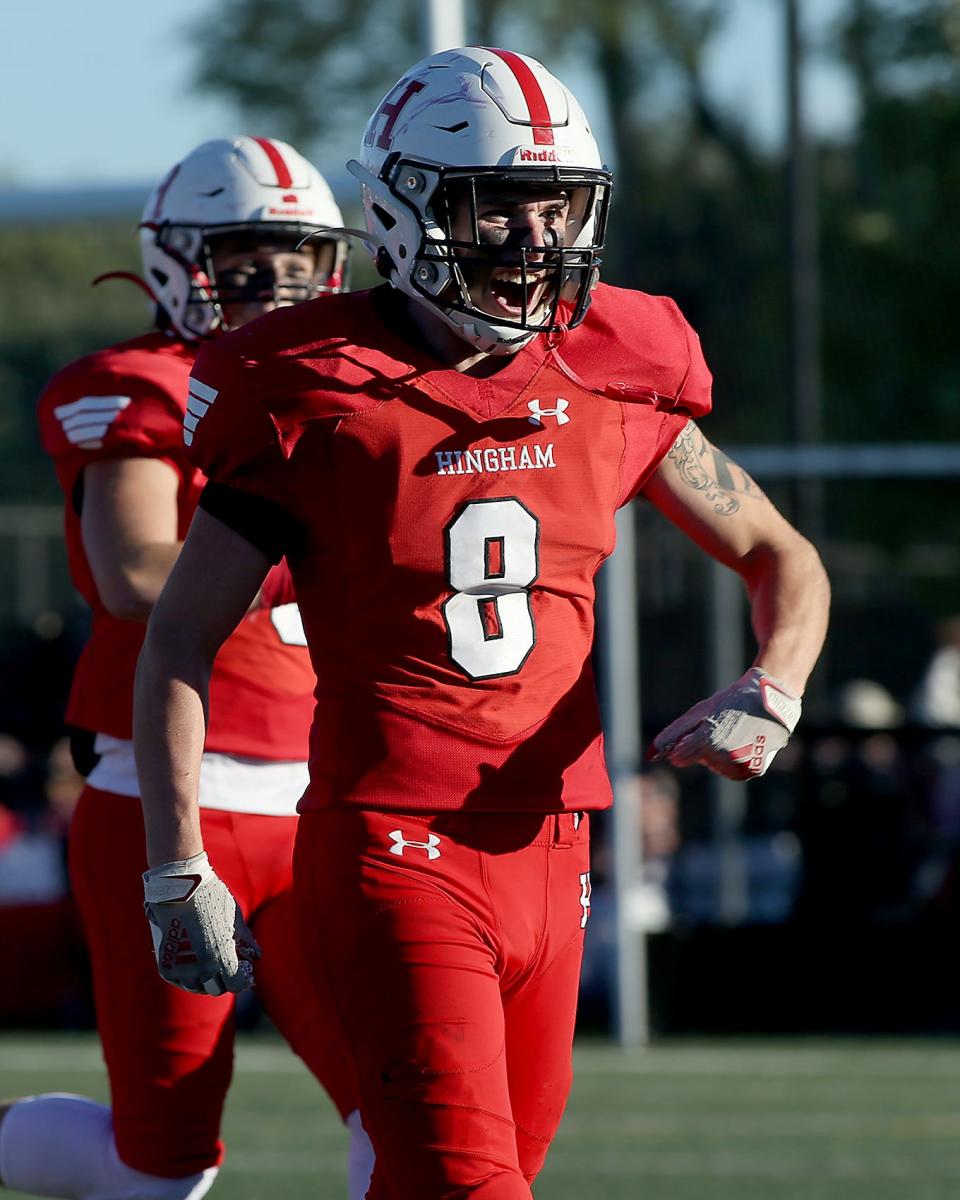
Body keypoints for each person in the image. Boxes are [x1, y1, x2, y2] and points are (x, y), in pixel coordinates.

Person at [133, 49, 830, 1200]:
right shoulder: (311, 383)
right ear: (404, 205)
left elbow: (781, 558)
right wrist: (174, 864)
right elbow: (178, 638)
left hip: (558, 853)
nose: (533, 235)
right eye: (497, 202)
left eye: (554, 203)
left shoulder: (614, 366)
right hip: (396, 845)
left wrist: (776, 687)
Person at [0, 137, 373, 1200]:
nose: (279, 283)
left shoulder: (348, 387)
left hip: (321, 805)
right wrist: (327, 566)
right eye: (249, 257)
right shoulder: (139, 384)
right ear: (180, 260)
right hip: (169, 805)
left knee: (404, 1117)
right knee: (160, 1173)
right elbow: (134, 573)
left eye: (300, 259)